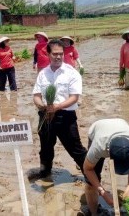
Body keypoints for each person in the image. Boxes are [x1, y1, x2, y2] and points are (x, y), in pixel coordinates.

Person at [30, 39, 87, 179]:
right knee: (45, 148)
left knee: (76, 149)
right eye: (55, 54)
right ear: (48, 54)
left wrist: (57, 106)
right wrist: (42, 106)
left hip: (65, 117)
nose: (58, 57)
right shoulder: (43, 73)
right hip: (45, 116)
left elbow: (74, 97)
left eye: (61, 54)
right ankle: (45, 171)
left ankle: (90, 173)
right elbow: (36, 95)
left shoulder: (72, 73)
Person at [83, 118, 129, 215]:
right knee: (91, 180)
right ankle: (94, 213)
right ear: (108, 151)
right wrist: (103, 193)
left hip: (120, 123)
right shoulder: (99, 146)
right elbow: (87, 169)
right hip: (98, 129)